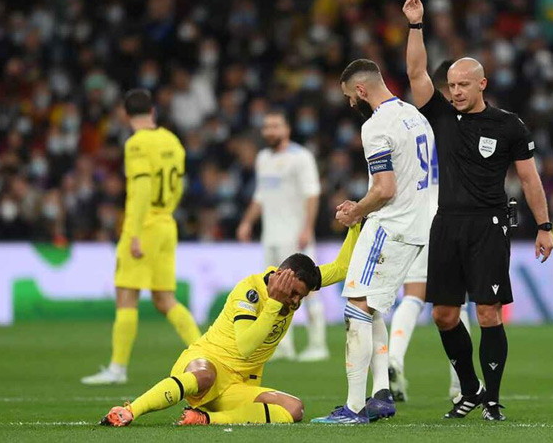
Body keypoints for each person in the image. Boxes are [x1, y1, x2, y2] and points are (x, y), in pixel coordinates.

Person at [403, 0, 553, 421]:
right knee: (444, 316)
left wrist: (544, 226)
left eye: (463, 85)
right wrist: (415, 24)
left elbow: (529, 178)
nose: (455, 92)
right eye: (451, 85)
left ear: (482, 84)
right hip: (446, 224)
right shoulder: (440, 116)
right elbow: (415, 71)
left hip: (489, 225)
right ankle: (468, 388)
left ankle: (491, 398)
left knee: (488, 312)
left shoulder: (508, 125)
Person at [100, 223, 361, 426]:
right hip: (206, 360)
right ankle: (129, 410)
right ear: (281, 276)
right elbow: (246, 346)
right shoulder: (250, 291)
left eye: (300, 297)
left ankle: (205, 419)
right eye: (292, 293)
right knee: (205, 376)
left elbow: (341, 268)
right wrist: (273, 303)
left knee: (295, 409)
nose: (294, 301)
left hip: (238, 387)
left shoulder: (298, 282)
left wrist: (355, 225)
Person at [311, 59, 433, 424]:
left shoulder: (375, 126)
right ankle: (381, 393)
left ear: (361, 91)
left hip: (389, 226)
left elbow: (385, 188)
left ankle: (352, 407)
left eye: (350, 96)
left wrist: (356, 211)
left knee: (356, 307)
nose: (351, 103)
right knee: (374, 306)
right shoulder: (415, 116)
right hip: (416, 223)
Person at [81, 89, 201, 385]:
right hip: (166, 223)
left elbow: (143, 189)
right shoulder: (172, 141)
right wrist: (166, 212)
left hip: (143, 225)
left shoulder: (136, 144)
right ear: (152, 112)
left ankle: (117, 368)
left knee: (126, 296)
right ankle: (204, 354)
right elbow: (177, 186)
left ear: (125, 114)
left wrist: (133, 233)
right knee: (165, 299)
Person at [388, 61, 471, 403]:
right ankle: (459, 386)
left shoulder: (407, 123)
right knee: (456, 301)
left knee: (413, 293)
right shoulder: (459, 122)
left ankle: (393, 358)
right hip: (452, 213)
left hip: (415, 213)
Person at [236, 109, 328, 362]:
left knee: (308, 289)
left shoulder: (301, 157)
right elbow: (260, 196)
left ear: (286, 129)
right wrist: (246, 222)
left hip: (296, 235)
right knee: (275, 291)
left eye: (275, 126)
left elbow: (312, 194)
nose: (270, 131)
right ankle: (283, 346)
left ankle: (318, 344)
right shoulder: (263, 157)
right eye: (266, 127)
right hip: (271, 236)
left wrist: (307, 227)